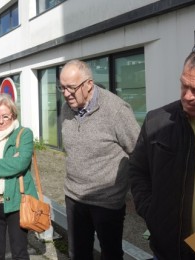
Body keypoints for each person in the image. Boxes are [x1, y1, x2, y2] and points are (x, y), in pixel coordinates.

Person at [129, 42, 195, 259]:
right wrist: (153, 213)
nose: (188, 96)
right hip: (169, 249)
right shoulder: (157, 122)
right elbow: (138, 171)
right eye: (184, 85)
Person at [58, 60, 140, 260]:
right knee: (78, 253)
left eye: (71, 87)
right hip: (74, 197)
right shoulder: (66, 108)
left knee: (110, 254)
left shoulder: (117, 110)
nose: (66, 93)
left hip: (107, 202)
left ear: (89, 84)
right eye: (62, 88)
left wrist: (132, 193)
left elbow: (138, 152)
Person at [0, 94, 38, 260]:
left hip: (17, 201)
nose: (1, 121)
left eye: (5, 116)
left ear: (14, 115)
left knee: (19, 252)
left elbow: (20, 164)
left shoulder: (24, 134)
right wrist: (8, 166)